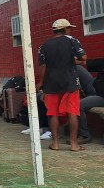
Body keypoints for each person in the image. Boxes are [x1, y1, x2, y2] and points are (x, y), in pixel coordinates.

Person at [36, 19, 87, 151]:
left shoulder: (44, 45)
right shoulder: (71, 40)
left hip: (51, 83)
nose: (70, 30)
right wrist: (75, 60)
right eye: (69, 28)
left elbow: (42, 66)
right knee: (72, 112)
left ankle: (55, 144)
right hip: (70, 82)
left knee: (52, 113)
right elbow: (84, 57)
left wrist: (41, 82)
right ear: (65, 29)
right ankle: (74, 144)